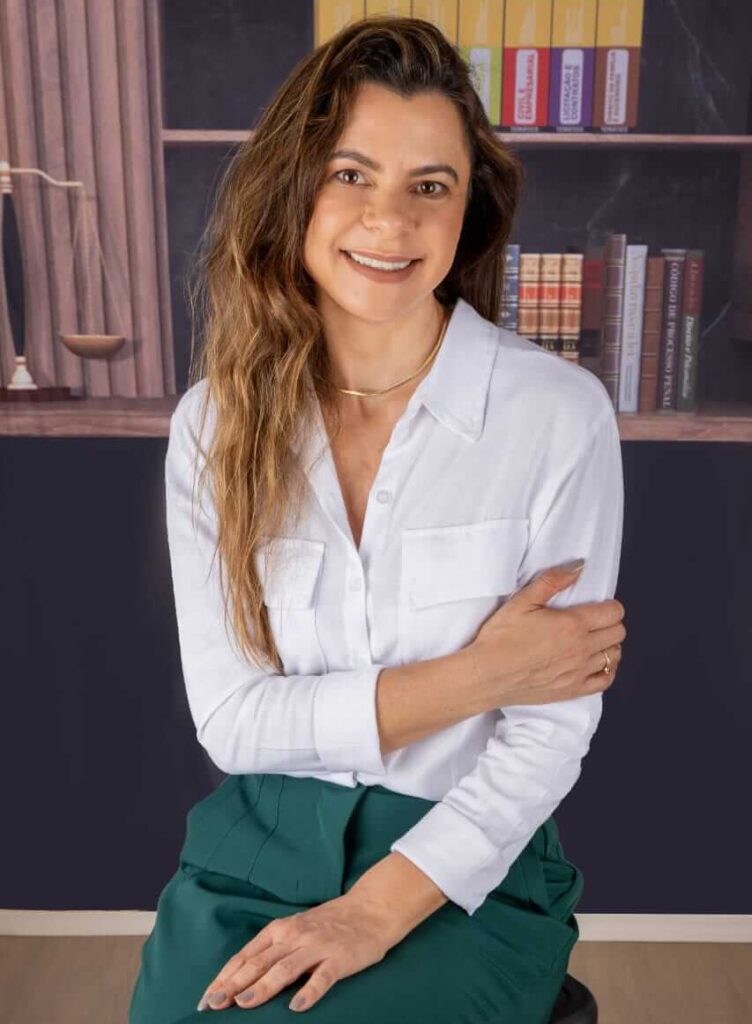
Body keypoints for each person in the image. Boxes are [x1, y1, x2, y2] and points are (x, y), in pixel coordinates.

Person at [128, 14, 626, 1024]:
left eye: (428, 186)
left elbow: (547, 730)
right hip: (254, 846)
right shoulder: (212, 426)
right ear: (294, 188)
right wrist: (481, 675)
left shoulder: (554, 416)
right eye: (350, 174)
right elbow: (232, 722)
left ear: (467, 211)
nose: (388, 221)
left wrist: (374, 909)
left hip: (466, 864)